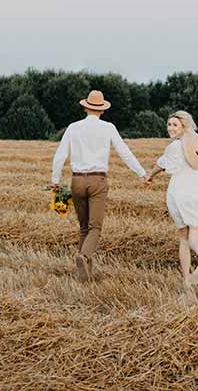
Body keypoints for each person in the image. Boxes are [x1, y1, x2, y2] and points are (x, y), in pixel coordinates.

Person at [51, 90, 147, 282]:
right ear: (102, 110)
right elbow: (124, 152)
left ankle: (85, 273)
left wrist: (55, 179)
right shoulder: (108, 127)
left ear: (85, 107)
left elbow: (60, 155)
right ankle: (84, 257)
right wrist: (142, 173)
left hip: (77, 180)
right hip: (98, 181)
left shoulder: (73, 127)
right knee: (96, 227)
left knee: (84, 228)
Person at [143, 110, 198, 288]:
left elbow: (161, 164)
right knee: (194, 239)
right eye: (169, 124)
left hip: (180, 191)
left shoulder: (174, 147)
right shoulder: (197, 145)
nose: (170, 128)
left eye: (175, 124)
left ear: (183, 127)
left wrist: (149, 176)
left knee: (183, 238)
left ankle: (186, 281)